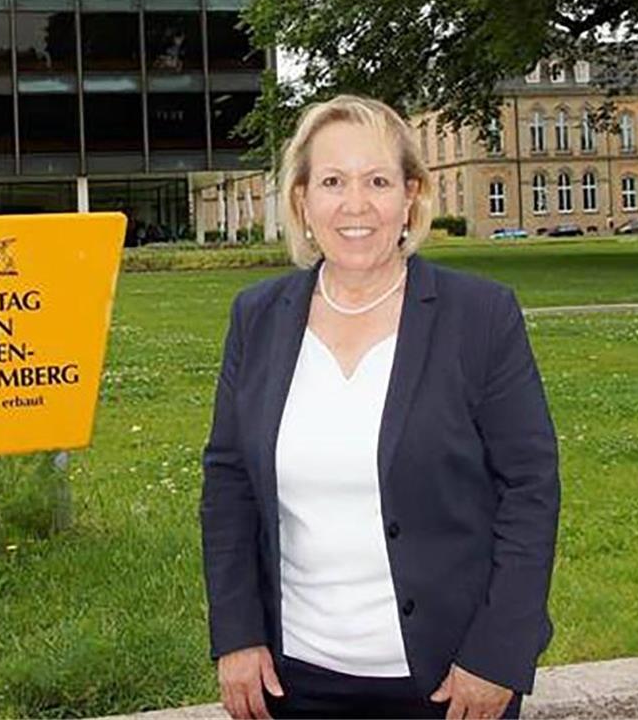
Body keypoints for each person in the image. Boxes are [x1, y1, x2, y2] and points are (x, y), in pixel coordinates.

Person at [200, 95, 560, 719]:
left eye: (378, 181)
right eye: (333, 181)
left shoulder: (479, 317)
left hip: (448, 681)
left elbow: (530, 489)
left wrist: (498, 654)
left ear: (411, 197)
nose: (356, 204)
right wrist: (236, 634)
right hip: (293, 680)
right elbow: (228, 484)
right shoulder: (256, 317)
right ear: (303, 201)